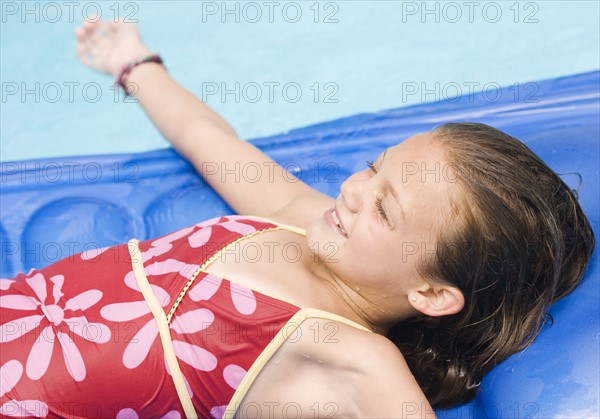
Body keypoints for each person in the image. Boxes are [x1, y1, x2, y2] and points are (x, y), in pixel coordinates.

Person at [0, 18, 595, 419]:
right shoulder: (304, 221)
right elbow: (214, 143)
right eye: (372, 168)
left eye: (384, 210)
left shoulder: (351, 360)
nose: (354, 191)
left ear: (433, 292)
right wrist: (134, 63)